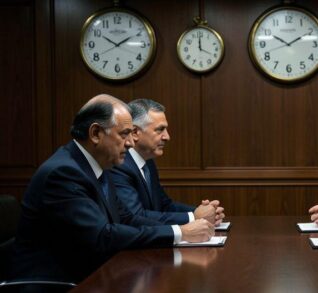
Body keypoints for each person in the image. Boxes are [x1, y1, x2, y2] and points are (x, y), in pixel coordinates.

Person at [10, 94, 214, 283]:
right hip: (59, 283)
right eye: (124, 134)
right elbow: (102, 236)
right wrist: (179, 232)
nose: (130, 143)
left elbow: (128, 218)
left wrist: (181, 231)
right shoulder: (63, 173)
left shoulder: (98, 165)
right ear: (96, 133)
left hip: (95, 272)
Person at [111, 99, 225, 225]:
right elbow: (136, 216)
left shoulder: (148, 162)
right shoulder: (120, 165)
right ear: (135, 133)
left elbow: (165, 205)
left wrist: (204, 212)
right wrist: (194, 216)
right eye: (160, 130)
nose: (167, 136)